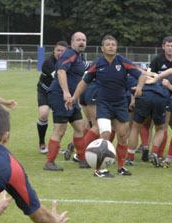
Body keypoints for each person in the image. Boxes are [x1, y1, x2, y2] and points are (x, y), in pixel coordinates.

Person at [66, 35, 146, 177]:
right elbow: (84, 82)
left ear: (116, 47)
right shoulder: (97, 64)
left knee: (122, 136)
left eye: (113, 44)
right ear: (102, 48)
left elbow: (141, 75)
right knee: (105, 134)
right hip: (103, 104)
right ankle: (99, 169)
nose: (111, 46)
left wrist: (139, 87)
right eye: (108, 44)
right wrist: (74, 97)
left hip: (121, 104)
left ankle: (121, 168)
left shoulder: (123, 62)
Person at [138, 36, 172, 161]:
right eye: (168, 46)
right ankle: (150, 147)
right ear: (163, 47)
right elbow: (148, 76)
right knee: (157, 122)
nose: (170, 48)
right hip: (158, 94)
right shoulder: (157, 60)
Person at [44, 32, 88, 171]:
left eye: (84, 40)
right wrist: (66, 92)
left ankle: (82, 159)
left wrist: (75, 96)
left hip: (71, 98)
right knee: (60, 129)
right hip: (60, 95)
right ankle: (49, 162)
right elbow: (61, 72)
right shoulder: (69, 54)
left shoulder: (79, 57)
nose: (82, 42)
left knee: (79, 127)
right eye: (79, 40)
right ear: (72, 42)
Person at [37, 41, 68, 154]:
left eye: (63, 51)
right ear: (54, 51)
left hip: (59, 93)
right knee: (44, 113)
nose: (60, 53)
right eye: (58, 50)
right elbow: (59, 76)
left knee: (60, 120)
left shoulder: (69, 62)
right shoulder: (48, 63)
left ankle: (56, 145)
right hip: (45, 91)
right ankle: (42, 143)